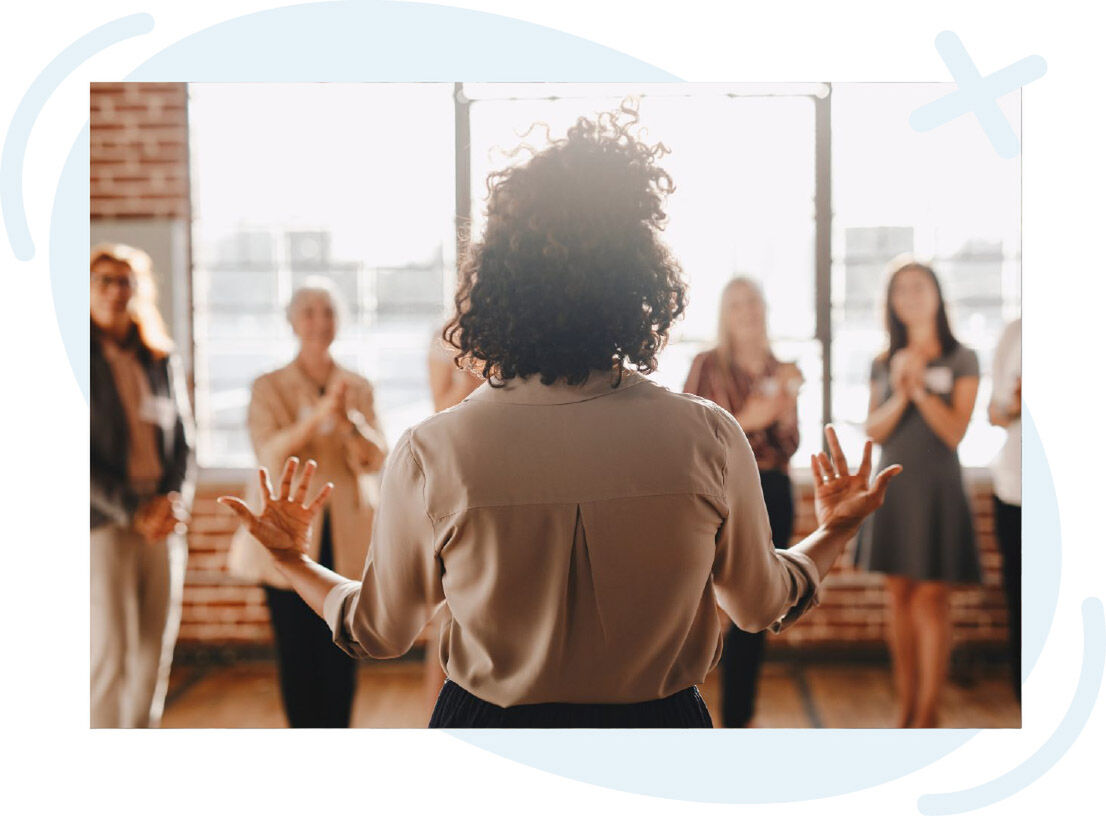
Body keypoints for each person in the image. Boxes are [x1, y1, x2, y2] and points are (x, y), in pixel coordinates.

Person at [219, 106, 900, 728]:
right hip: (660, 738)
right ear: (641, 288)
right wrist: (836, 530)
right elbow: (761, 604)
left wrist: (292, 559)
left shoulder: (434, 450)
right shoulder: (708, 435)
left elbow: (378, 630)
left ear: (491, 289)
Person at [227, 278, 387, 728]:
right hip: (287, 532)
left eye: (329, 311)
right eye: (309, 311)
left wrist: (350, 422)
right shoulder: (268, 386)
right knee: (296, 653)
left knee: (344, 647)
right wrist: (318, 416)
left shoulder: (358, 385)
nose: (319, 321)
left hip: (348, 535)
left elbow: (377, 458)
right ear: (293, 322)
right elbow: (271, 453)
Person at [854, 256, 981, 728]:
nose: (910, 295)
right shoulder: (883, 362)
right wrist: (902, 391)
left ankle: (929, 714)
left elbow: (954, 433)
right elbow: (874, 429)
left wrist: (922, 389)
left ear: (936, 295)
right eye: (900, 289)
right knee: (899, 597)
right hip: (895, 487)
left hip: (939, 489)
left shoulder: (961, 356)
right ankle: (905, 710)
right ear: (890, 302)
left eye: (919, 286)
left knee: (931, 599)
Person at [683, 277, 803, 727]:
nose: (747, 311)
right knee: (694, 603)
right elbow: (694, 434)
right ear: (724, 315)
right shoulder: (706, 365)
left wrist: (779, 410)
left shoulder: (782, 369)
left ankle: (737, 721)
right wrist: (754, 417)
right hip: (714, 489)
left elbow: (789, 443)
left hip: (771, 490)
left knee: (758, 609)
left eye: (754, 301)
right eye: (736, 304)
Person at [90, 242, 194, 728]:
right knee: (112, 649)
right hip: (104, 523)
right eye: (104, 281)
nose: (115, 291)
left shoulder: (158, 357)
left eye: (125, 281)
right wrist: (133, 511)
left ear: (139, 290)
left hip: (162, 518)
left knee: (154, 649)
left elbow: (184, 442)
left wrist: (171, 501)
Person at [421, 327, 484, 713]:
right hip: (460, 467)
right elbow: (439, 410)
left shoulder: (524, 325)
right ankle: (438, 713)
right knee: (449, 606)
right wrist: (471, 376)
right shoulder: (447, 336)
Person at [988, 317, 1021, 701]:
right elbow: (994, 414)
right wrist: (1014, 403)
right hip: (1015, 488)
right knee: (1021, 599)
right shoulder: (1014, 332)